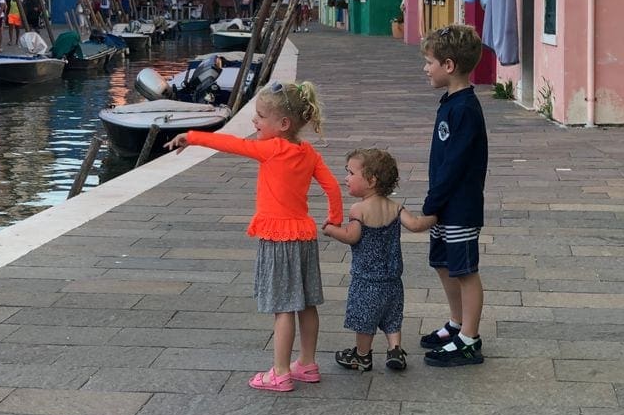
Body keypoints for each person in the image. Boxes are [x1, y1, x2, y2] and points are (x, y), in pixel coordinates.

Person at [164, 81, 343, 392]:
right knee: (307, 303)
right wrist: (335, 218)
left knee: (283, 307)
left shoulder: (271, 150)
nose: (254, 121)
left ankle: (280, 372)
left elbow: (230, 144)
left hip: (278, 238)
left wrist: (190, 137)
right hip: (304, 235)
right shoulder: (309, 152)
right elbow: (333, 187)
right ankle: (308, 364)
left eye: (260, 116)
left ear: (283, 124)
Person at [323, 148, 436, 372]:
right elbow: (415, 225)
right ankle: (395, 350)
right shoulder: (395, 207)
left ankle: (362, 355)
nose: (346, 178)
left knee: (365, 320)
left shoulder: (359, 209)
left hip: (366, 280)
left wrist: (331, 230)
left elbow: (352, 236)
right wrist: (436, 216)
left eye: (350, 173)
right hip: (393, 279)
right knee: (392, 317)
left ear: (371, 180)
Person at [418, 24, 488, 367]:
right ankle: (457, 323)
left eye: (429, 62)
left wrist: (432, 205)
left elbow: (456, 164)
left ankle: (469, 339)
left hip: (458, 207)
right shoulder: (450, 102)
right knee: (444, 264)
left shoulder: (465, 110)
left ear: (448, 65)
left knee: (464, 270)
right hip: (445, 205)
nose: (425, 68)